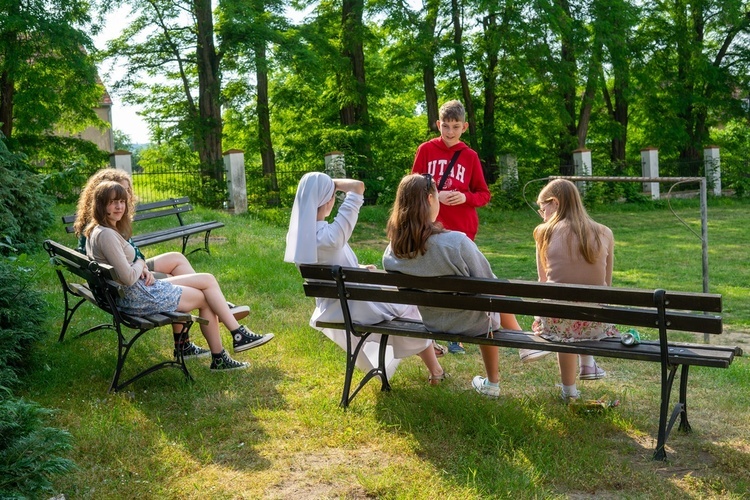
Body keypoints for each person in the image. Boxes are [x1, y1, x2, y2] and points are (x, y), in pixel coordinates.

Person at [85, 180, 274, 371]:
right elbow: (127, 277)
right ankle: (229, 345)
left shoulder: (99, 230)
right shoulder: (107, 234)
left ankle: (233, 338)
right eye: (112, 202)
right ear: (101, 205)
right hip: (137, 296)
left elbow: (123, 268)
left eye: (122, 201)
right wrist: (140, 263)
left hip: (131, 292)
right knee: (205, 296)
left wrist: (139, 267)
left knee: (206, 280)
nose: (119, 206)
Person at [284, 172, 445, 384]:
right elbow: (358, 187)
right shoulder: (331, 235)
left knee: (400, 308)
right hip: (356, 309)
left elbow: (326, 265)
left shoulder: (297, 238)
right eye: (331, 195)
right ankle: (435, 368)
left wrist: (358, 269)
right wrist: (330, 184)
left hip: (332, 308)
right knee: (410, 307)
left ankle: (426, 350)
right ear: (328, 200)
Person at [382, 173, 522, 398]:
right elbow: (489, 285)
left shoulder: (392, 252)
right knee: (490, 295)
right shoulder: (456, 242)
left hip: (433, 322)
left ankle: (497, 377)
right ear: (430, 199)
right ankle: (501, 371)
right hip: (473, 323)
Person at [411, 100, 491, 355]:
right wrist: (437, 195)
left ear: (465, 127)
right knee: (433, 280)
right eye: (445, 126)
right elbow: (412, 187)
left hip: (463, 230)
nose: (450, 132)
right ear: (438, 124)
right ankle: (434, 330)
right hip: (431, 227)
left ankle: (459, 334)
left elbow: (484, 194)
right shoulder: (425, 150)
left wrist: (466, 197)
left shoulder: (470, 156)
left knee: (462, 284)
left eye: (456, 127)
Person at [530, 179, 617, 401]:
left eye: (543, 209)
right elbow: (606, 284)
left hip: (557, 324)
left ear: (555, 203)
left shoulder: (543, 233)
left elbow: (542, 281)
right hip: (597, 324)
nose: (542, 215)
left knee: (561, 311)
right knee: (583, 306)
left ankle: (569, 391)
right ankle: (587, 363)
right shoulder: (605, 232)